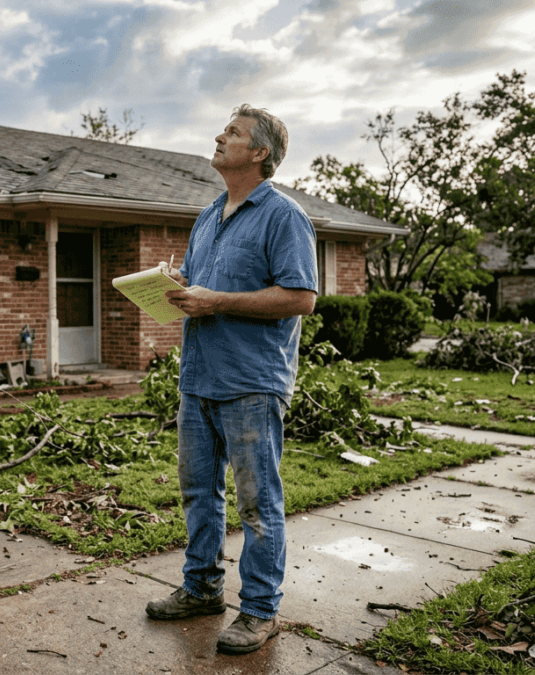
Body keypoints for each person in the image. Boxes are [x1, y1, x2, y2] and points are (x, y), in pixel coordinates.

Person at [145, 105, 318, 654]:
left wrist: (215, 300)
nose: (220, 137)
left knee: (256, 503)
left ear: (260, 153)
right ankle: (201, 589)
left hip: (251, 381)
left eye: (234, 133)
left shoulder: (283, 216)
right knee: (199, 493)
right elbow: (203, 290)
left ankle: (261, 610)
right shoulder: (208, 214)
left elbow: (301, 298)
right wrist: (177, 287)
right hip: (198, 378)